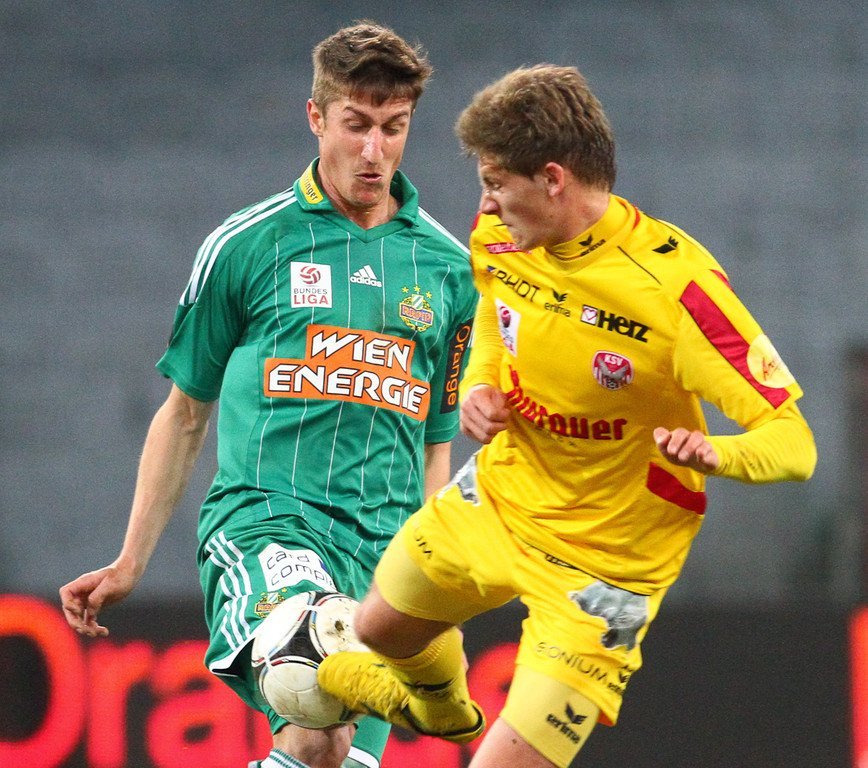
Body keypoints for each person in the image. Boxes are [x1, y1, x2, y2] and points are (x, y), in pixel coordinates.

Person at [315, 64, 818, 767]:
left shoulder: (677, 292)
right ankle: (439, 711)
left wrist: (719, 454)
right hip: (503, 497)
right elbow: (494, 314)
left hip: (605, 566)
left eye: (496, 183)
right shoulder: (500, 236)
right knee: (379, 629)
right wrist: (480, 385)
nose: (484, 205)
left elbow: (796, 445)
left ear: (553, 179)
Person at [59, 21, 478, 768]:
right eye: (355, 124)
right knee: (312, 696)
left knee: (332, 759)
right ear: (316, 117)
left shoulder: (449, 269)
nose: (374, 151)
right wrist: (130, 562)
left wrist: (429, 584)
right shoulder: (246, 245)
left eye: (393, 128)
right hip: (269, 525)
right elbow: (184, 414)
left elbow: (434, 444)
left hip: (382, 558)